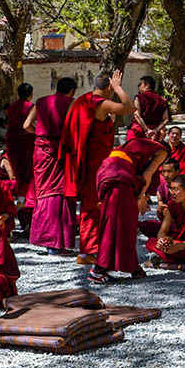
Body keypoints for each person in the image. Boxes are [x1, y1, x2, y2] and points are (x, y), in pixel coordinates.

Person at [61, 70, 135, 264]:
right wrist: (119, 88)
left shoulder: (80, 101)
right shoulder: (101, 104)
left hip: (83, 160)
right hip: (95, 163)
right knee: (93, 207)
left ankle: (95, 248)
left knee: (91, 205)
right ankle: (88, 252)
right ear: (109, 86)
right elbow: (129, 107)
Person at [89, 137, 168, 283]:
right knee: (121, 224)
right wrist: (140, 197)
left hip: (110, 173)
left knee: (118, 223)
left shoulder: (131, 147)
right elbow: (147, 174)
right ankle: (99, 269)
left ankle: (132, 267)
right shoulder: (163, 151)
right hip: (120, 178)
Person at [25, 77, 77, 255]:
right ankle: (57, 243)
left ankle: (44, 238)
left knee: (44, 192)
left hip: (40, 151)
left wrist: (40, 135)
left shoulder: (40, 102)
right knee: (59, 193)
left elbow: (26, 125)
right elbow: (71, 128)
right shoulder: (71, 103)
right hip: (59, 151)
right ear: (71, 91)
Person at [4, 83, 36, 198]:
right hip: (26, 140)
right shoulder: (31, 106)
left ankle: (21, 193)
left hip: (12, 140)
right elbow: (28, 125)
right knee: (27, 170)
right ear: (31, 94)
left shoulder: (12, 107)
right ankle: (26, 195)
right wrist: (35, 132)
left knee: (18, 168)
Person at [128, 76, 169, 142]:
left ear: (147, 85)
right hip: (154, 135)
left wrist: (147, 130)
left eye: (140, 85)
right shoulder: (162, 100)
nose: (139, 88)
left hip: (139, 131)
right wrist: (155, 130)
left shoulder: (139, 98)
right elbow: (166, 119)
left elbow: (137, 115)